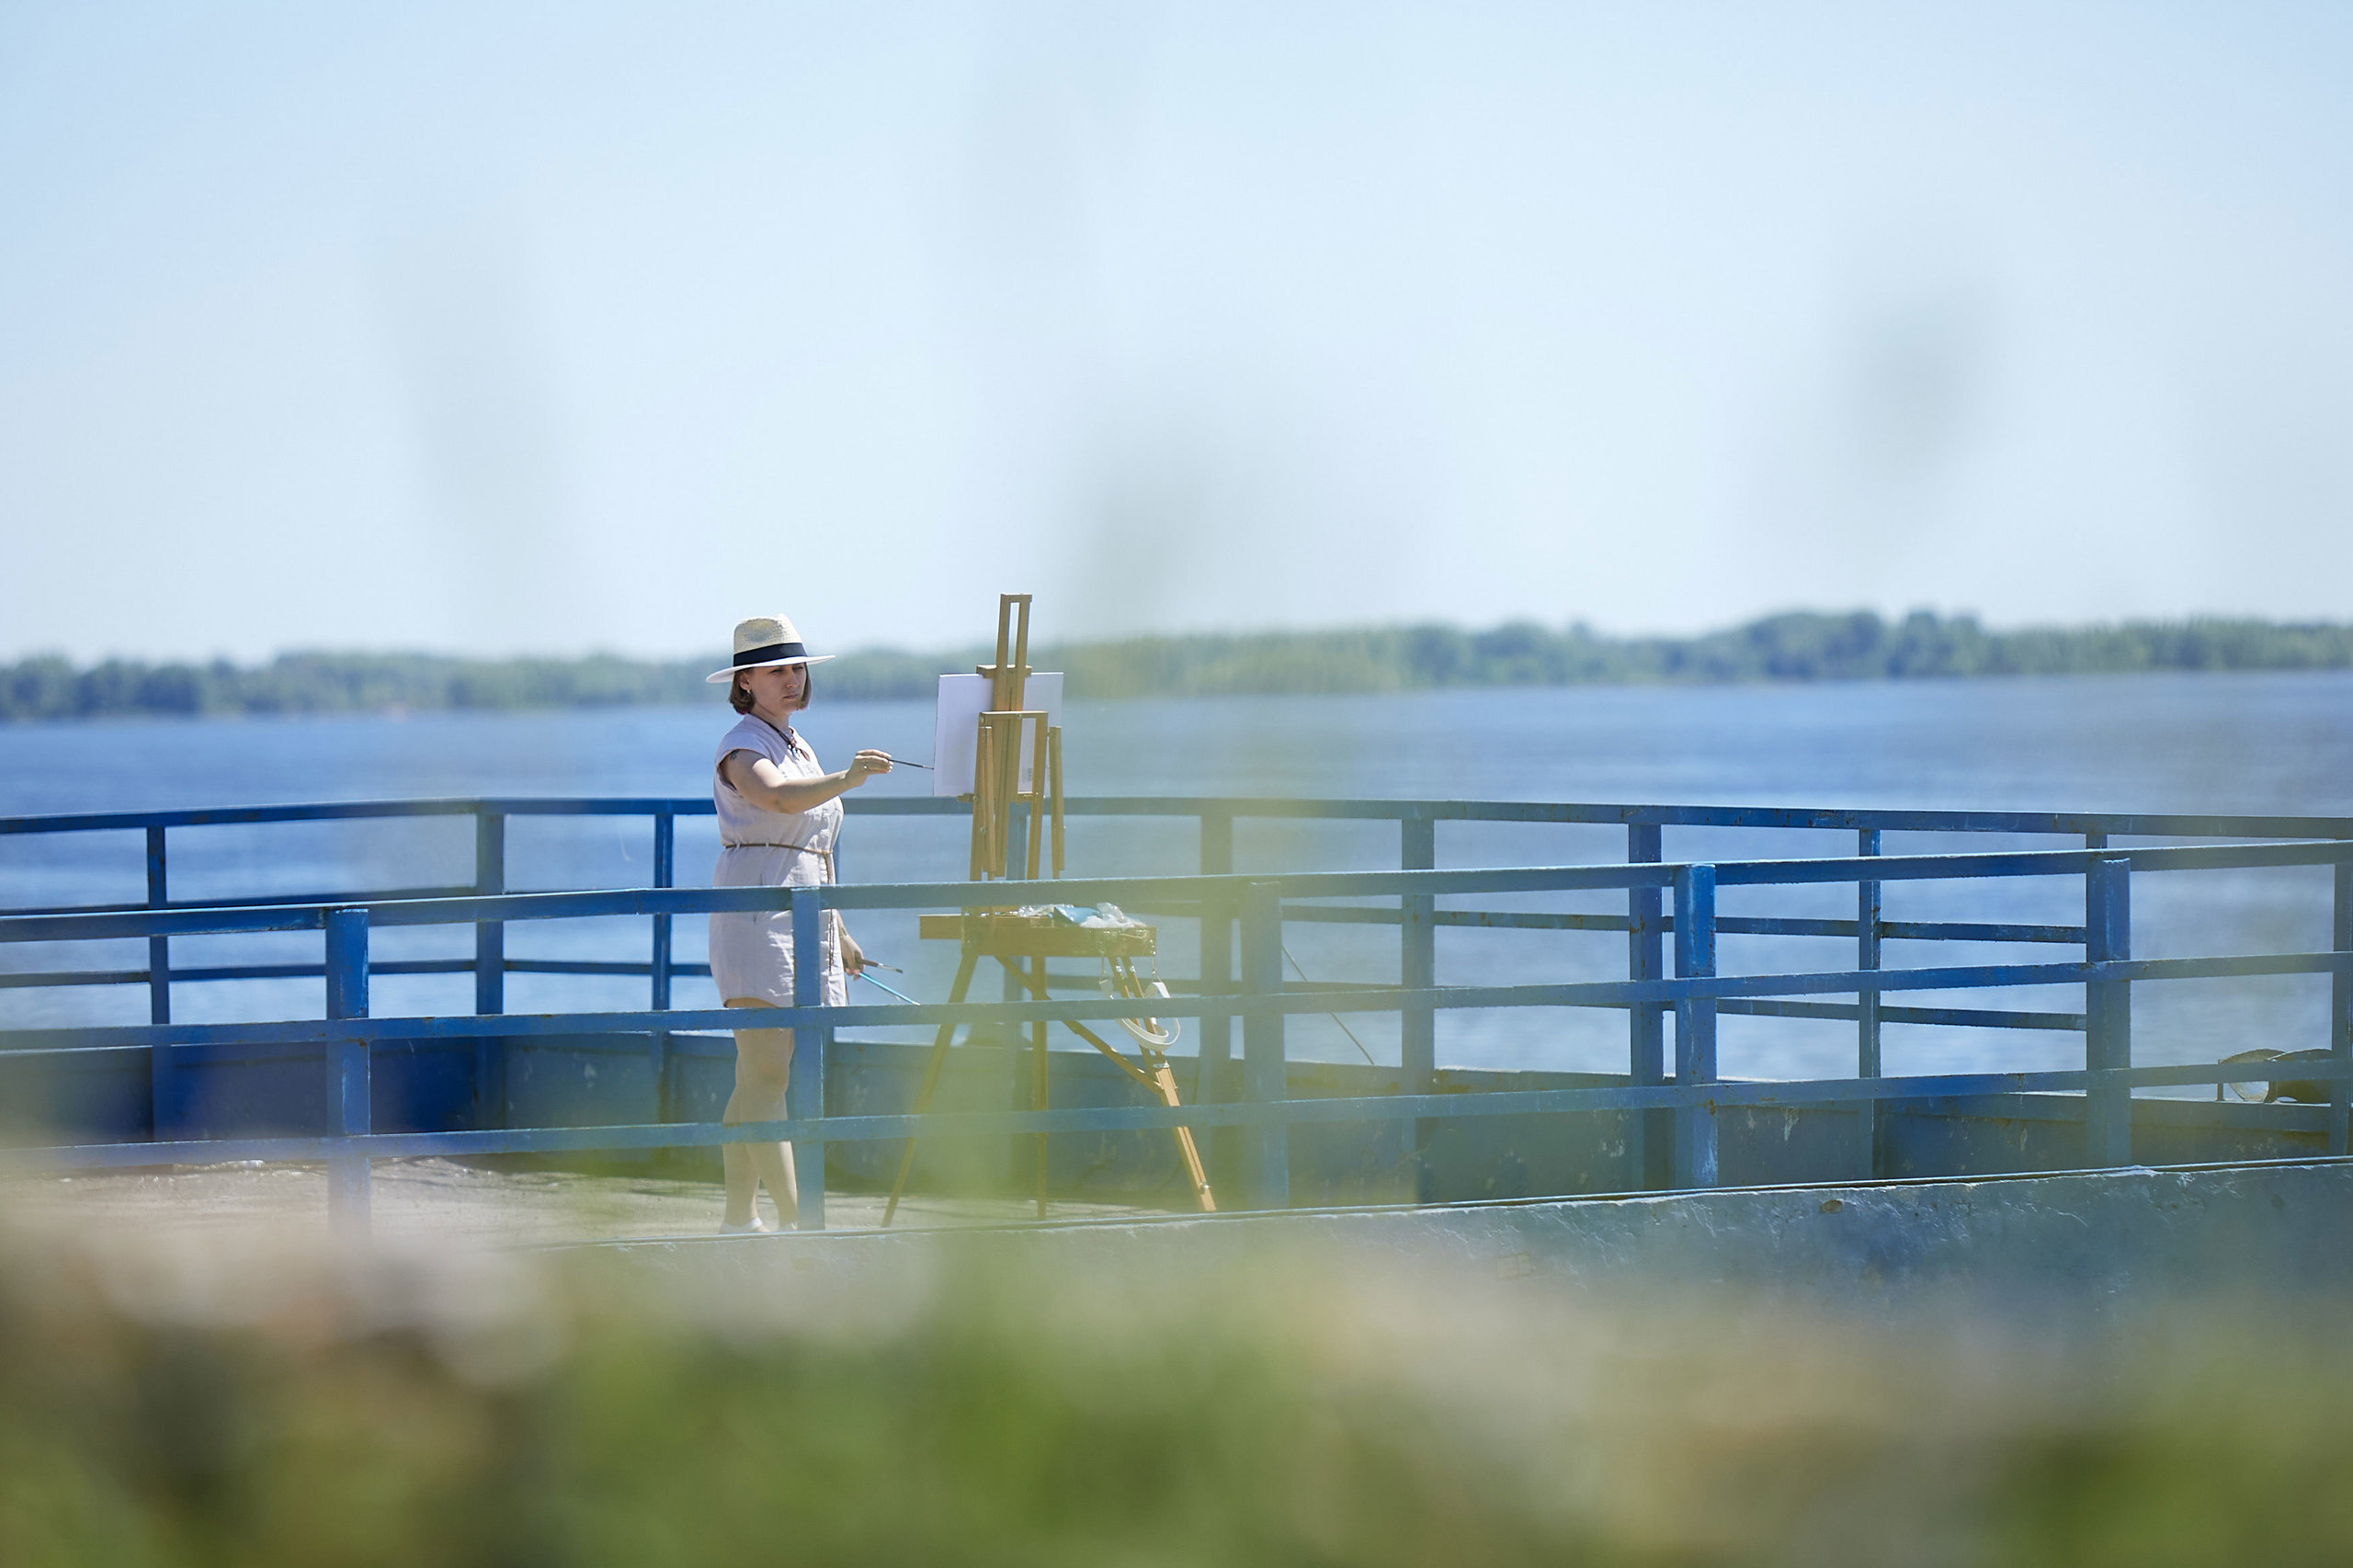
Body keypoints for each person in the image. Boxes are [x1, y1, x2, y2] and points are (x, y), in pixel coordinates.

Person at [704, 615, 892, 1233]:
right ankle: (798, 1220)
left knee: (756, 1075)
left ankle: (739, 1217)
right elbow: (780, 801)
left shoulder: (796, 743)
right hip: (757, 912)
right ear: (746, 682)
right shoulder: (743, 747)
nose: (790, 679)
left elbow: (816, 846)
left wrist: (838, 931)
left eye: (796, 668)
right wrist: (849, 778)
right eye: (775, 670)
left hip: (801, 913)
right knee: (766, 1074)